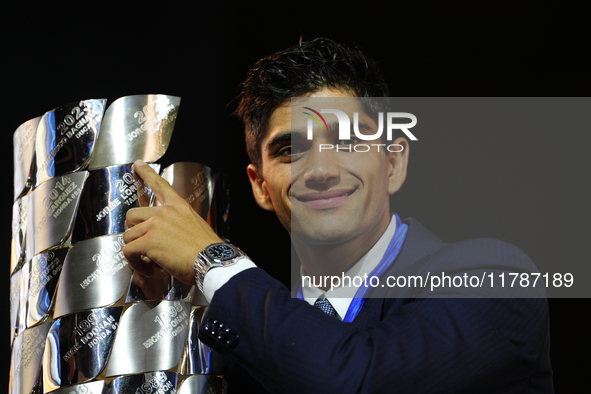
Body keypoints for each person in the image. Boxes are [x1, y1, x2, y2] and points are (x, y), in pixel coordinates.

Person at [123, 38, 553, 393]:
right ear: (260, 185)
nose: (322, 171)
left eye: (347, 142)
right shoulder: (239, 339)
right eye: (290, 149)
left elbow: (356, 379)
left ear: (393, 163)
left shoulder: (497, 278)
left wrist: (212, 261)